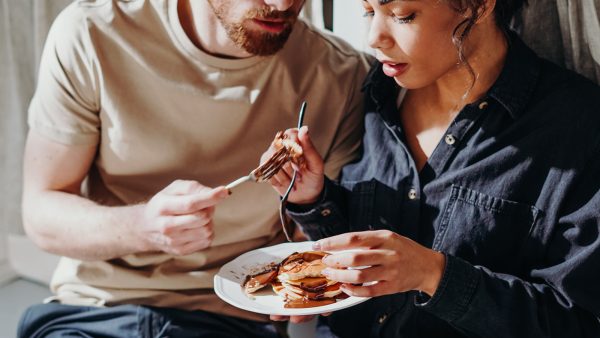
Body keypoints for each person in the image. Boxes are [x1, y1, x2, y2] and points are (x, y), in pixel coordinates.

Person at [18, 0, 370, 337]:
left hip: (235, 320)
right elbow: (41, 213)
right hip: (95, 309)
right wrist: (142, 227)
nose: (282, 5)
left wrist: (308, 215)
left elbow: (313, 244)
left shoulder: (341, 74)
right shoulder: (91, 35)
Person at [266, 0, 600, 337]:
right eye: (368, 11)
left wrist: (435, 275)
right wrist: (314, 199)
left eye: (402, 16)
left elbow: (579, 324)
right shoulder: (379, 93)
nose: (373, 38)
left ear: (480, 6)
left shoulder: (579, 126)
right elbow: (368, 258)